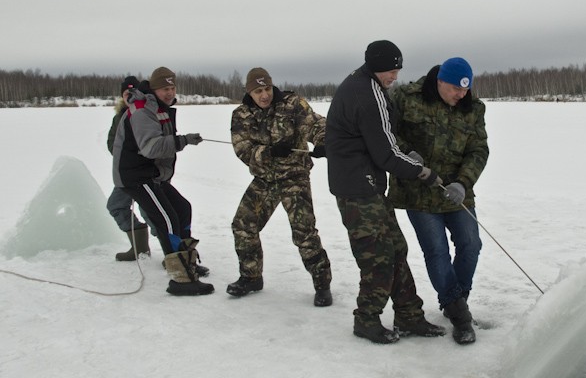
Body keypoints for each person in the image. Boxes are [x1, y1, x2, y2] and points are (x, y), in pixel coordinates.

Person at [326, 40, 446, 344]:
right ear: (378, 67)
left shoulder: (366, 85)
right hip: (358, 188)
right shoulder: (367, 94)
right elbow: (386, 155)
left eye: (398, 70)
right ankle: (366, 319)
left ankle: (409, 315)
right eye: (392, 71)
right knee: (378, 255)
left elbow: (382, 138)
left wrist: (405, 152)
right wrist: (422, 172)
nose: (395, 76)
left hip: (366, 184)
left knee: (396, 247)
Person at [389, 57, 488, 344]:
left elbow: (478, 150)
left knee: (471, 244)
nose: (461, 95)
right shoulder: (408, 98)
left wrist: (463, 182)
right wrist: (406, 152)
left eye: (465, 90)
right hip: (418, 192)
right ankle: (459, 314)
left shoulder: (474, 108)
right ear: (440, 82)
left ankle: (457, 298)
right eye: (456, 89)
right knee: (437, 251)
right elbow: (388, 133)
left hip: (456, 191)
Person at [227, 68, 333, 306]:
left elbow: (316, 124)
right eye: (258, 91)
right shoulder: (241, 114)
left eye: (266, 89)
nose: (264, 95)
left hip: (294, 177)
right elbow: (242, 149)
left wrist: (323, 142)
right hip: (264, 179)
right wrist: (269, 151)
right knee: (243, 225)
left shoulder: (292, 104)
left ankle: (322, 284)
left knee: (304, 232)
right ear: (249, 92)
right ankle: (251, 276)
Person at [112, 66, 213, 296]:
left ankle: (188, 264)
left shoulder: (160, 108)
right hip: (134, 175)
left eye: (172, 87)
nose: (169, 92)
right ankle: (181, 279)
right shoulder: (142, 109)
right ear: (153, 89)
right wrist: (183, 141)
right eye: (164, 88)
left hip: (151, 174)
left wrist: (180, 141)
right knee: (167, 219)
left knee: (182, 208)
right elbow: (151, 147)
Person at [106, 75, 153, 262]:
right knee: (116, 206)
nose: (130, 96)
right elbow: (112, 144)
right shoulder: (119, 117)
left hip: (146, 174)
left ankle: (173, 252)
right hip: (126, 174)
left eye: (134, 92)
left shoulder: (146, 113)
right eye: (127, 93)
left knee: (150, 211)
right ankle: (139, 247)